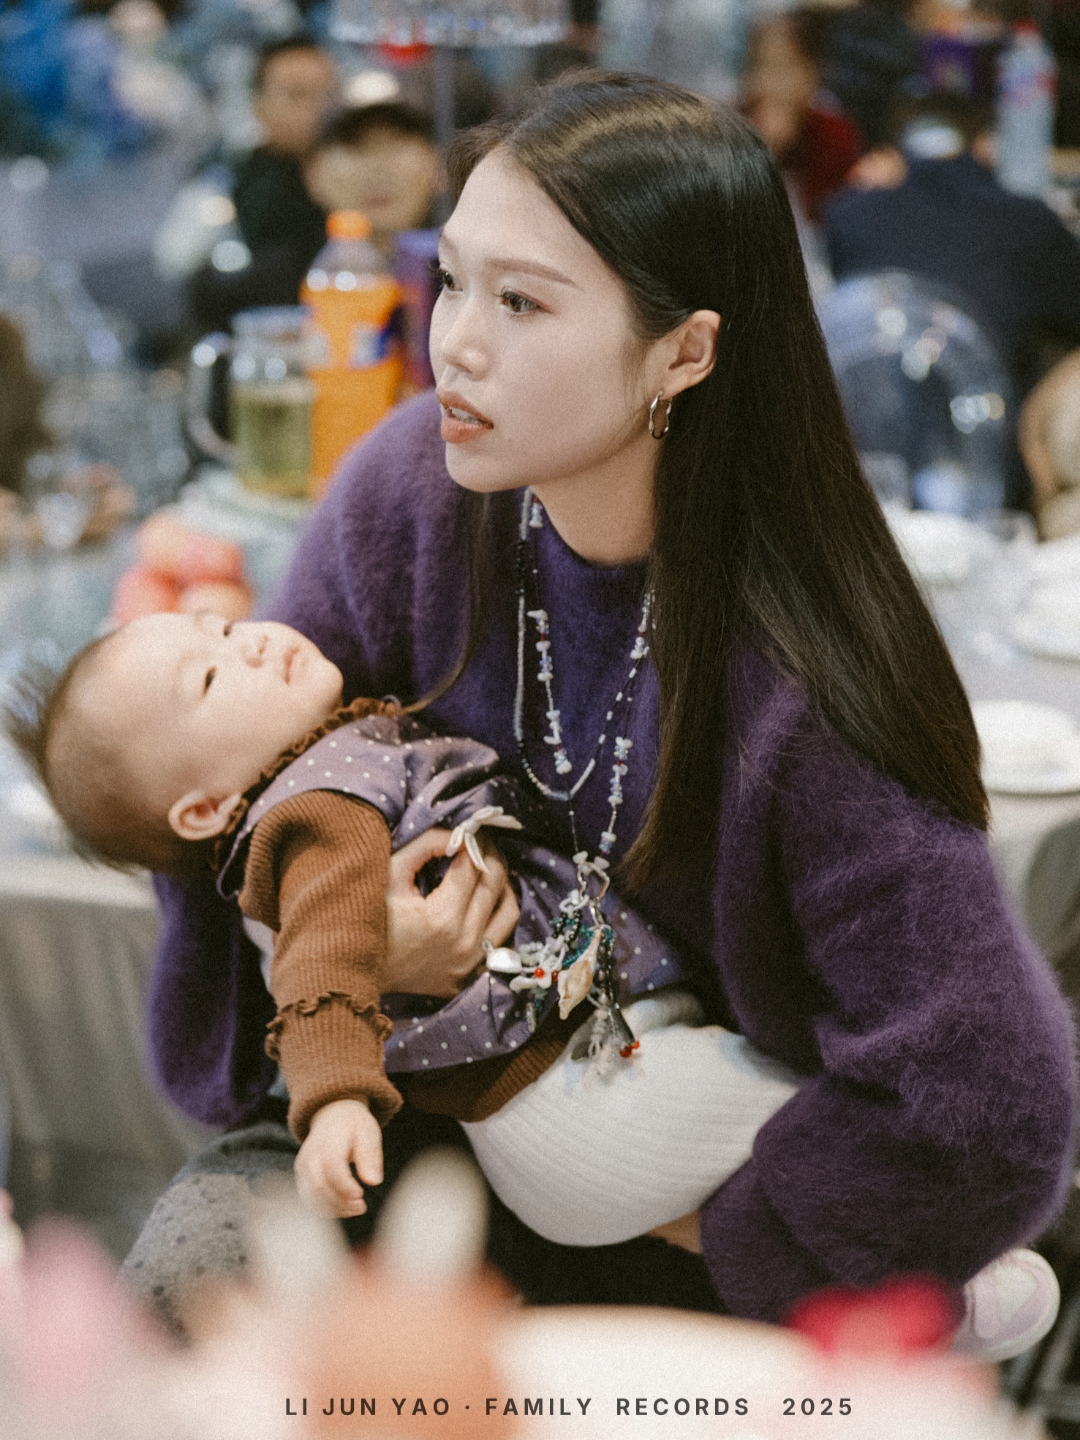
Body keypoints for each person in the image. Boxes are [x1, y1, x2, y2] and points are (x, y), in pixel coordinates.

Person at [128, 72, 1075, 1334]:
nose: (455, 343)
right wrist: (363, 953)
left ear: (684, 351)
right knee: (177, 1313)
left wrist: (722, 1234)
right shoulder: (411, 489)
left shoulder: (800, 672)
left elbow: (988, 1106)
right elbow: (204, 797)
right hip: (407, 1103)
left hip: (691, 1176)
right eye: (452, 281)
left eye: (522, 302)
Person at [8, 609, 1061, 1360]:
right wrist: (333, 1102)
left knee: (761, 1144)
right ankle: (944, 1287)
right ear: (203, 811)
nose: (249, 642)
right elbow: (319, 970)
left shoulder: (335, 763)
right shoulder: (314, 813)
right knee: (823, 1118)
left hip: (570, 1101)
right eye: (208, 679)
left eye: (225, 627)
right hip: (582, 1103)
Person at [823, 91, 1080, 507]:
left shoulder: (848, 215)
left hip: (867, 468)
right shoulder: (1031, 221)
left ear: (893, 153)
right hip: (993, 470)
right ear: (984, 146)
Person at [188, 37, 339, 333]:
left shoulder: (355, 163)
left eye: (328, 93)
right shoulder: (253, 184)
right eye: (297, 95)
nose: (319, 108)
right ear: (259, 106)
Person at [741, 10, 863, 225]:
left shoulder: (835, 134)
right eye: (761, 67)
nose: (772, 83)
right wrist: (768, 152)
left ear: (812, 74)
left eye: (784, 69)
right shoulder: (735, 129)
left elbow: (837, 219)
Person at [303, 102, 440, 261]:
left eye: (397, 144)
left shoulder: (461, 269)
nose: (379, 168)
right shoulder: (289, 273)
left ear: (438, 164)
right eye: (355, 145)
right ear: (313, 171)